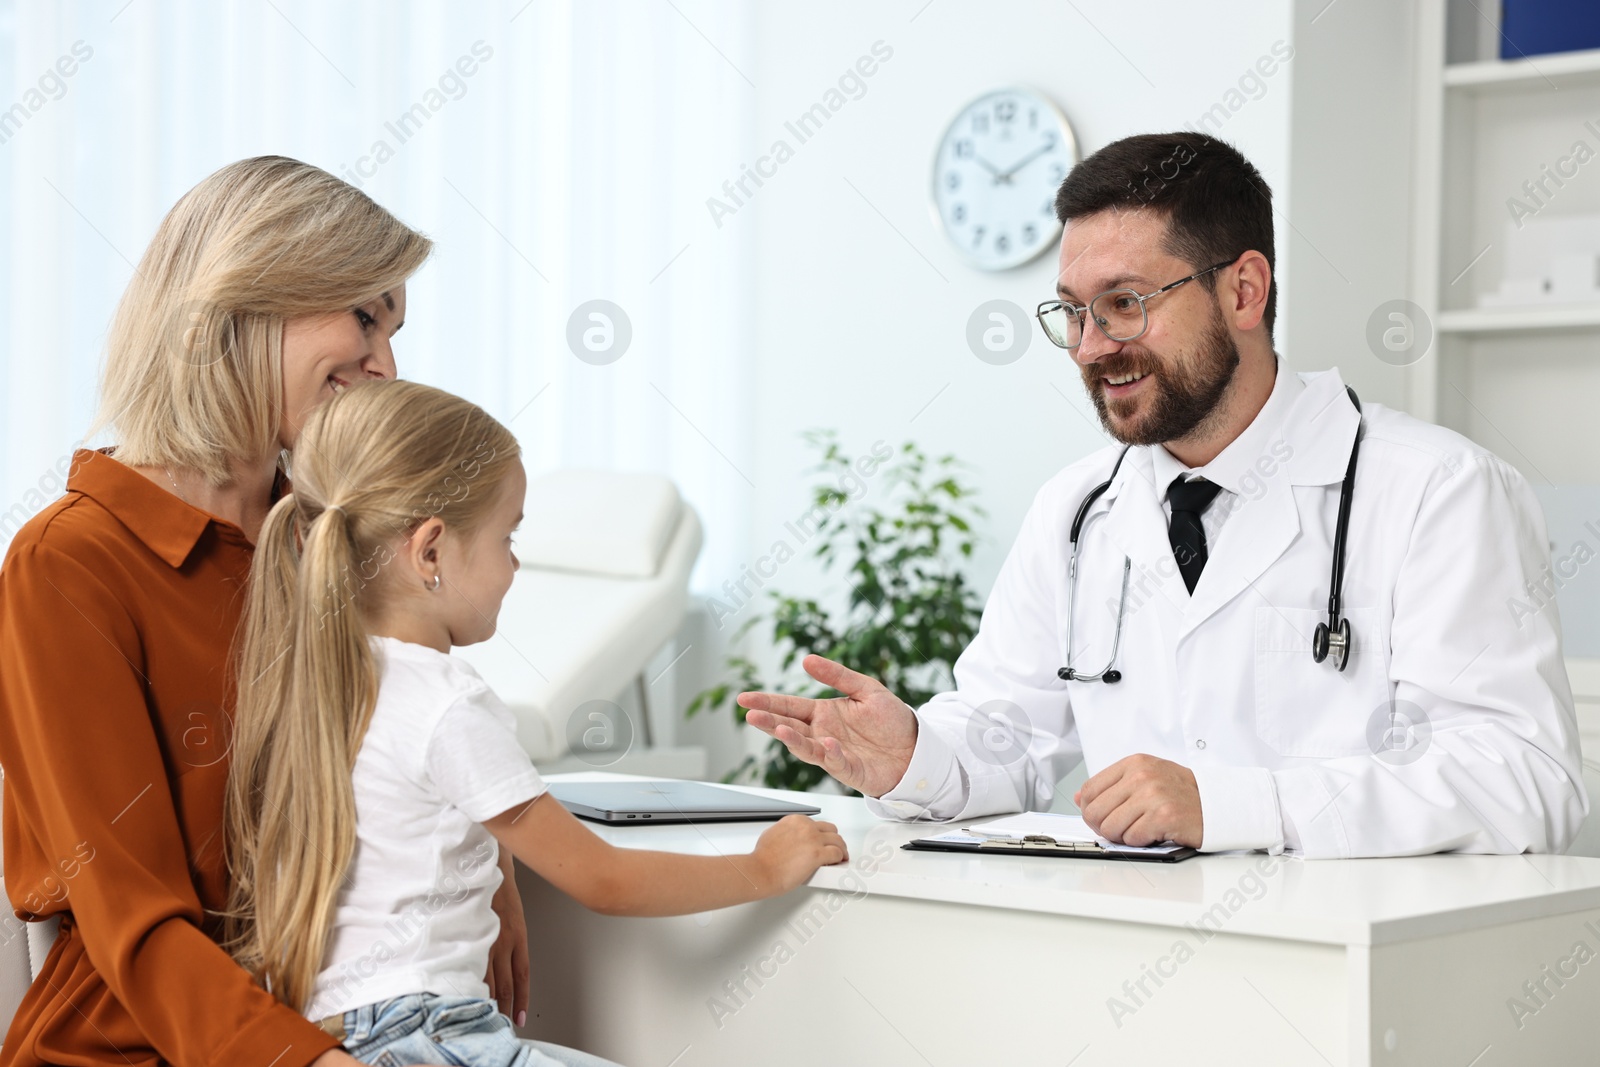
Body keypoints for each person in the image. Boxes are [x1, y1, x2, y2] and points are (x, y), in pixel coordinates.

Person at [737, 132, 1588, 859]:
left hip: (1347, 992)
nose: (1089, 347)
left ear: (1244, 291)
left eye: (1125, 304)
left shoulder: (1436, 490)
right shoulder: (1077, 512)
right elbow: (1007, 739)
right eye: (1072, 312)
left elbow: (1525, 777)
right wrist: (912, 755)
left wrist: (1233, 805)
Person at [0, 157, 517, 1067]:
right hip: (144, 1047)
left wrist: (498, 880)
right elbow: (133, 916)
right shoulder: (68, 564)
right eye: (365, 315)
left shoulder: (334, 538)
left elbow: (415, 727)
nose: (386, 365)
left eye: (394, 329)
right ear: (244, 300)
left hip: (368, 1028)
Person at [224, 379, 846, 1064]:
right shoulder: (447, 701)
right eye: (507, 535)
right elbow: (603, 879)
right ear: (430, 551)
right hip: (429, 1035)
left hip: (336, 1036)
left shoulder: (316, 682)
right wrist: (763, 866)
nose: (516, 563)